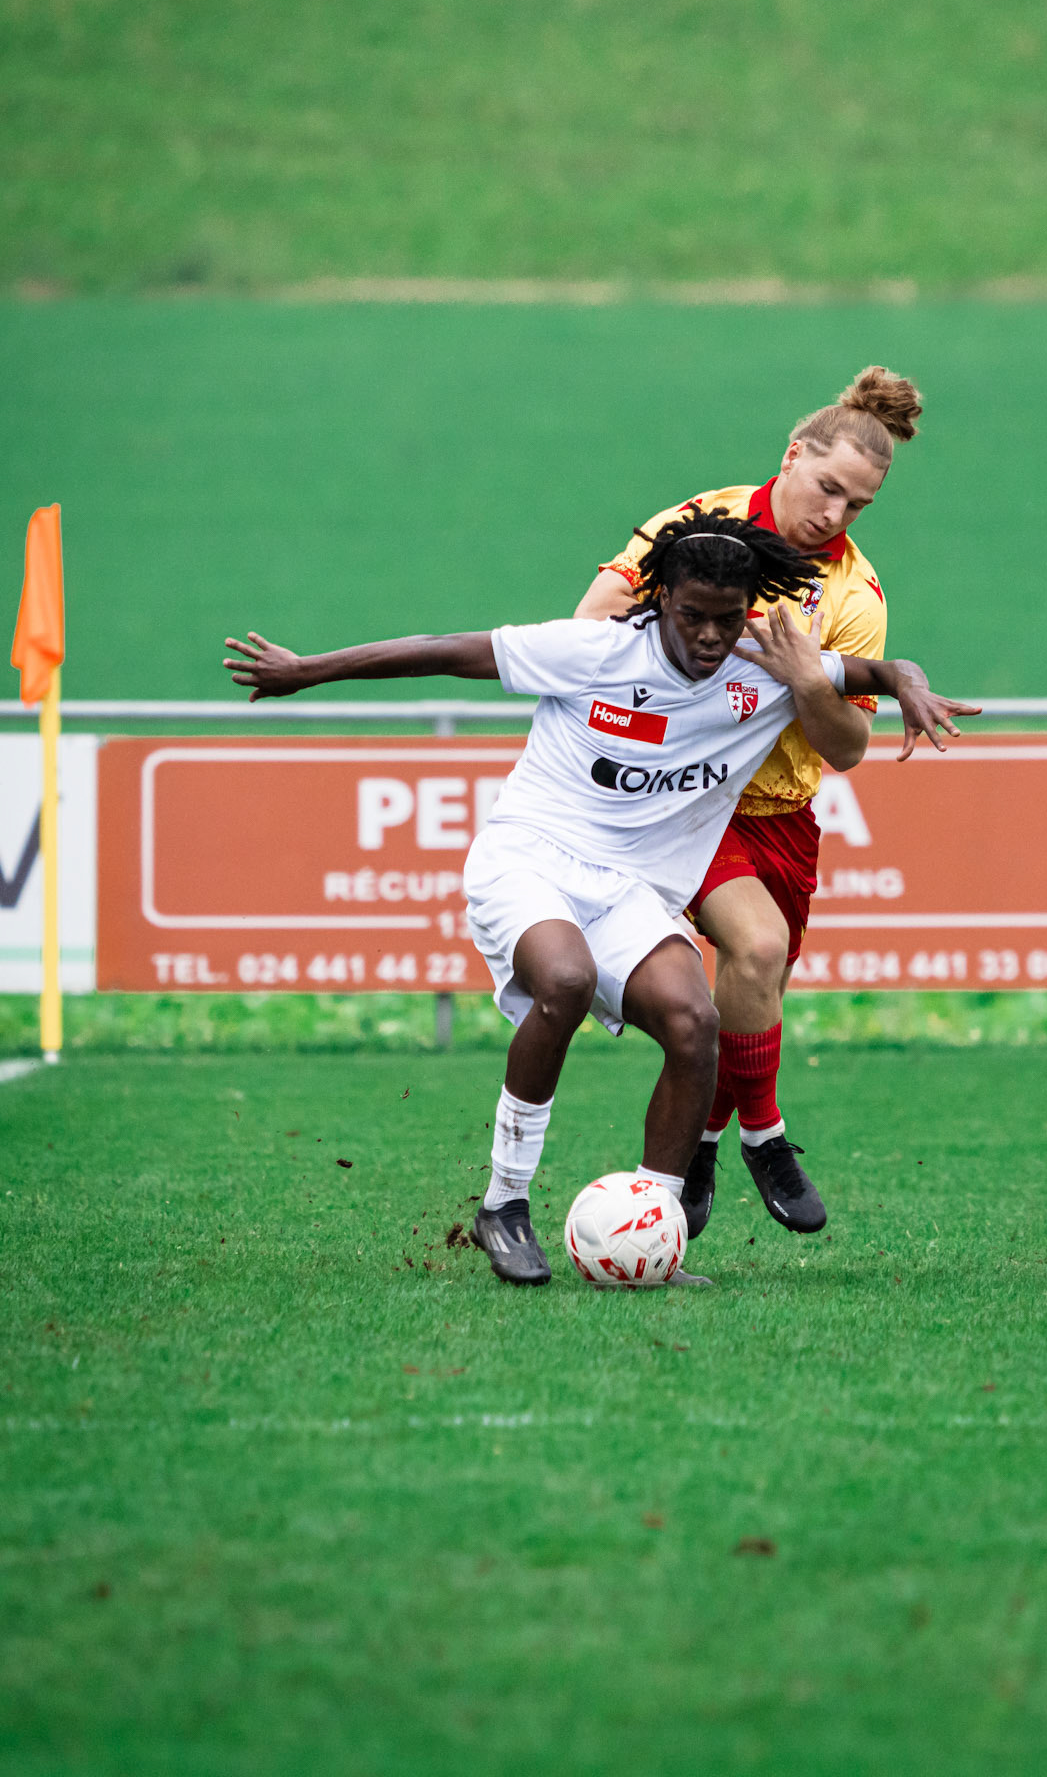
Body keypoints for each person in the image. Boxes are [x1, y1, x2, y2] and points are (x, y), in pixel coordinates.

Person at [223, 510, 911, 1289]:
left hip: (628, 890)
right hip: (530, 860)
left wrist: (910, 684)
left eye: (728, 619)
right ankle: (503, 1205)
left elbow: (877, 674)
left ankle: (654, 1225)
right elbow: (443, 652)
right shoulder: (594, 651)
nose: (712, 637)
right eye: (692, 616)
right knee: (566, 980)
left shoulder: (765, 668)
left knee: (694, 1023)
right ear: (658, 599)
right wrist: (308, 670)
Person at [575, 365, 978, 1241]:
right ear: (792, 457)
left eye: (857, 504)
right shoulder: (694, 525)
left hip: (781, 817)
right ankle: (766, 1136)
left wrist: (805, 682)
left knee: (752, 991)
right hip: (680, 802)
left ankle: (707, 1143)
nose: (834, 514)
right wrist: (693, 649)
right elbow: (589, 623)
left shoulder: (853, 595)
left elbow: (845, 750)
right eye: (827, 487)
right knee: (752, 949)